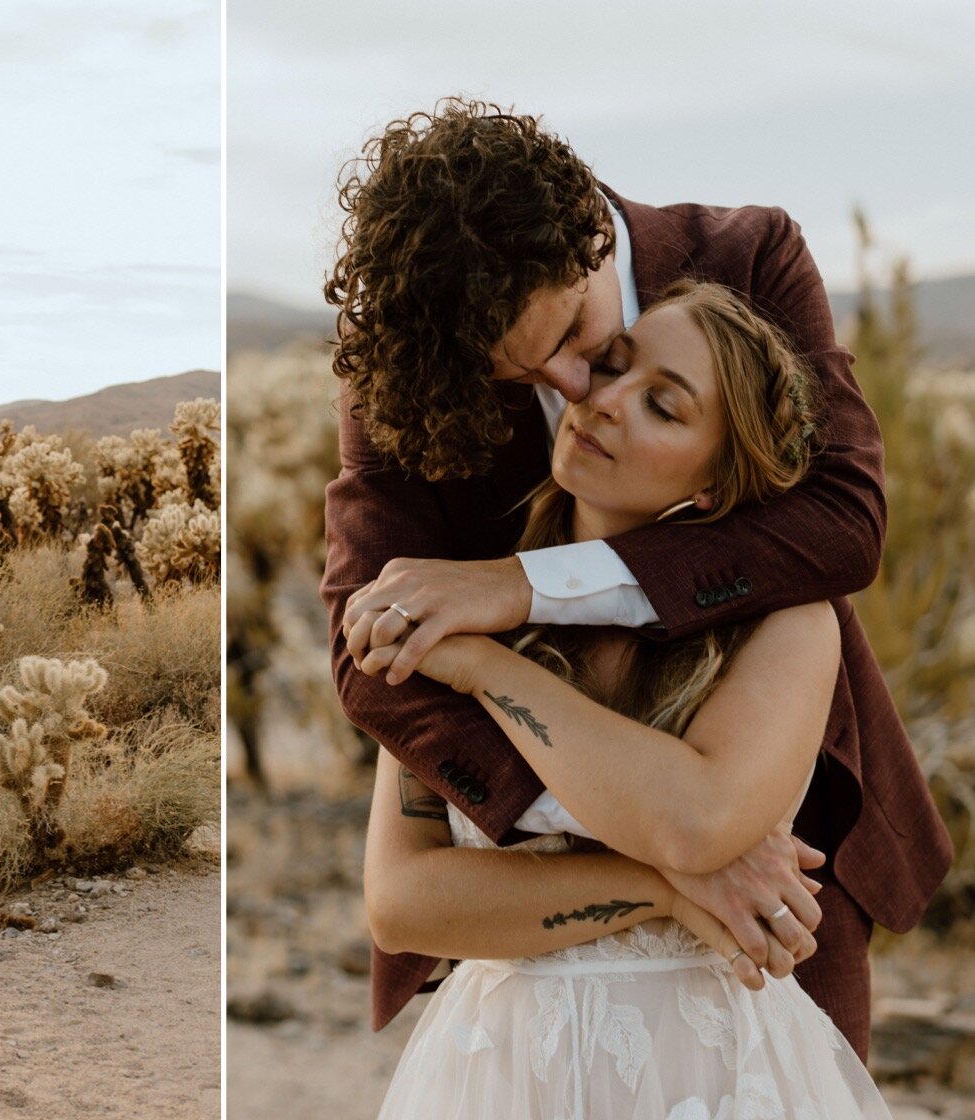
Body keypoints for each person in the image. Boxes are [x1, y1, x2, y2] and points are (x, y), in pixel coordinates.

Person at [320, 99, 950, 1055]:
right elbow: (368, 643)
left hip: (783, 868)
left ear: (584, 224)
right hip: (539, 924)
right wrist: (653, 850)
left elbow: (841, 522)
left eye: (583, 336)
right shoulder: (413, 364)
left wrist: (523, 587)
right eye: (522, 376)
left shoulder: (748, 257)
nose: (578, 394)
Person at [359, 281, 891, 1116]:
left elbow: (695, 818)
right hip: (501, 1077)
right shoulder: (454, 588)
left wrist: (487, 668)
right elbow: (402, 905)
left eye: (663, 407)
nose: (604, 403)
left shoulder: (784, 622)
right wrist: (670, 889)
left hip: (704, 1073)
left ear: (714, 485)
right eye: (610, 368)